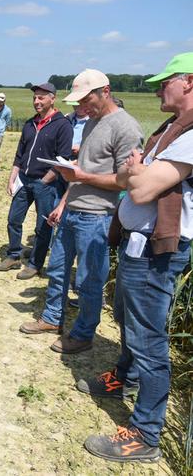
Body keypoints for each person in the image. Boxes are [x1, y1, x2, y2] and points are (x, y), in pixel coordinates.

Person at [80, 53, 193, 463]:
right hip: (137, 244)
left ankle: (145, 434)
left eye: (166, 82)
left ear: (190, 82)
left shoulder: (190, 134)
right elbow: (129, 178)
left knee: (149, 339)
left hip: (158, 250)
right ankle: (123, 378)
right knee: (128, 319)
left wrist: (137, 171)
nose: (159, 88)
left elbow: (141, 190)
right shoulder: (171, 130)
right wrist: (136, 172)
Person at [19, 69, 143, 353]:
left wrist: (83, 178)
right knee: (58, 270)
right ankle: (51, 318)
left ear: (105, 91)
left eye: (86, 100)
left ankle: (84, 333)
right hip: (72, 210)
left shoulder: (126, 128)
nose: (82, 107)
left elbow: (127, 180)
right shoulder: (91, 123)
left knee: (89, 279)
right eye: (78, 102)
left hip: (98, 216)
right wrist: (63, 203)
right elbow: (81, 170)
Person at [0, 83, 72, 280]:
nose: (37, 101)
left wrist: (45, 180)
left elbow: (62, 159)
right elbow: (20, 155)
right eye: (35, 98)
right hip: (24, 180)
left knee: (42, 226)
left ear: (52, 98)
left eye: (41, 97)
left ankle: (35, 264)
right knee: (14, 219)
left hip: (46, 184)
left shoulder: (62, 125)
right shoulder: (30, 124)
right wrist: (12, 178)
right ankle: (13, 255)